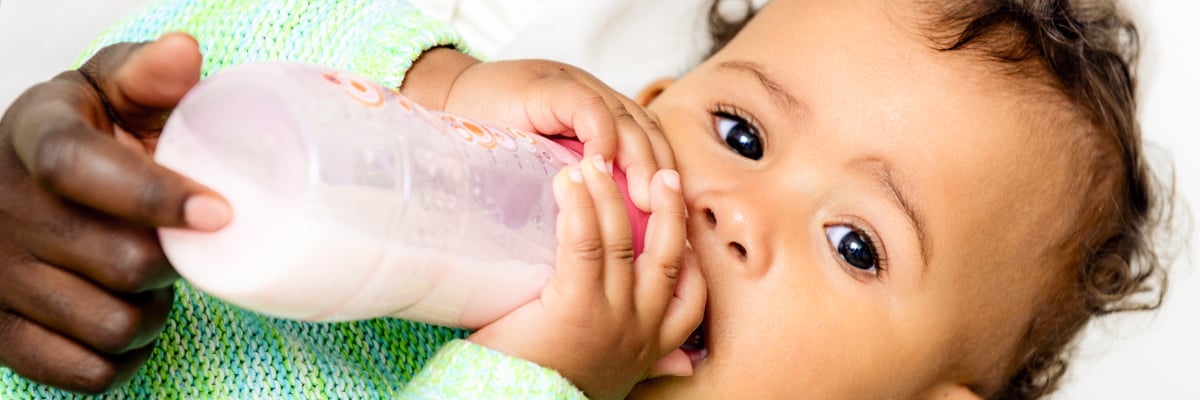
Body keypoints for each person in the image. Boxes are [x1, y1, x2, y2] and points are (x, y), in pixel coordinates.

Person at [0, 0, 1169, 398]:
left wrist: (531, 376)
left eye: (856, 242)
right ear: (642, 104)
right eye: (740, 132)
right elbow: (195, 57)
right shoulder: (457, 201)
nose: (732, 210)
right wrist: (432, 91)